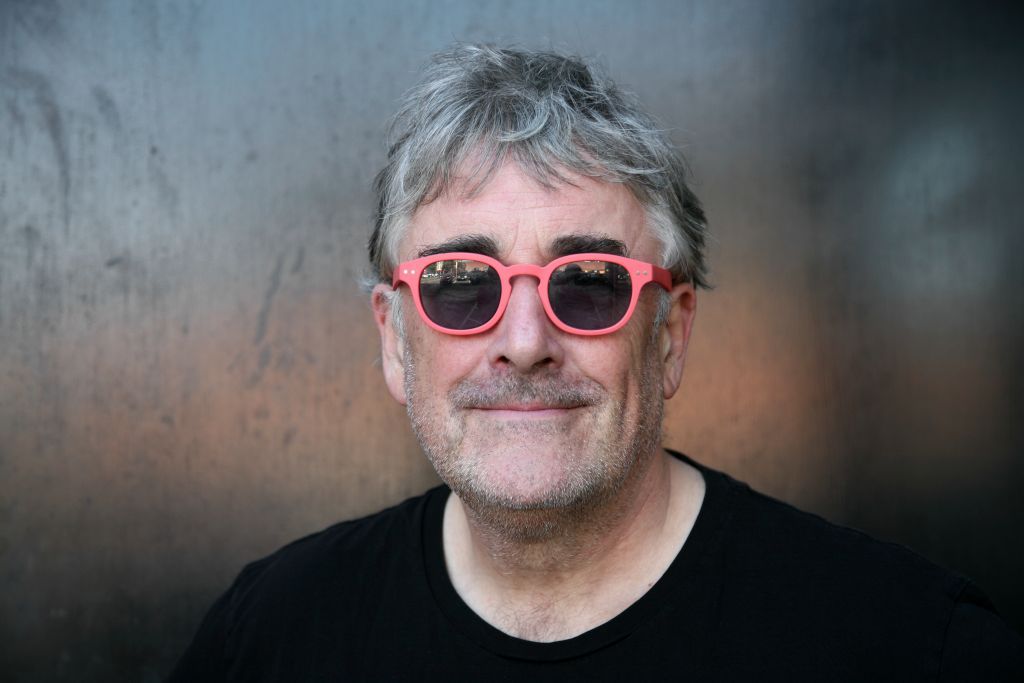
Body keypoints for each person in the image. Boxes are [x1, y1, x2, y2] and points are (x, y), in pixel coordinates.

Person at [168, 44, 1023, 681]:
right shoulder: (266, 640)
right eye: (461, 283)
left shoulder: (917, 650)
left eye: (588, 283)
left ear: (669, 334)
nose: (525, 340)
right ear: (395, 340)